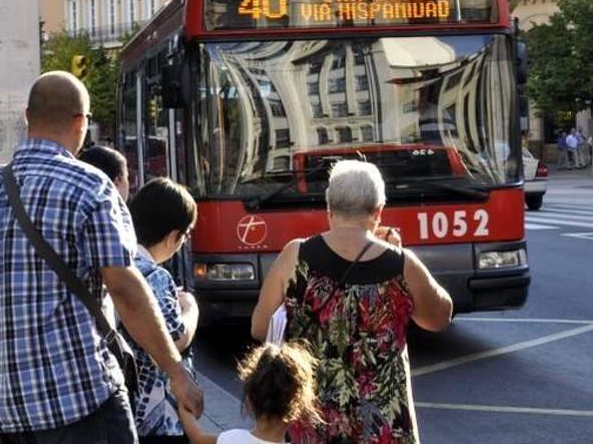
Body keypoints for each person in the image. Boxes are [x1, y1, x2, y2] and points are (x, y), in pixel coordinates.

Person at [0, 71, 204, 443]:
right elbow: (125, 288)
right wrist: (176, 372)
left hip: (3, 409)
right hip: (79, 401)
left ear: (27, 116)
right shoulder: (91, 186)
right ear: (80, 122)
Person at [250, 160, 453, 443]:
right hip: (382, 422)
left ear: (329, 208)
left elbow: (260, 328)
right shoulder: (401, 264)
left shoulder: (295, 256)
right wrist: (400, 254)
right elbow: (440, 317)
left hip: (312, 417)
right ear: (378, 212)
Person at [125, 177, 200, 442]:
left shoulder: (119, 266)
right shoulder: (154, 276)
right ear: (173, 236)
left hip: (126, 410)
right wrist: (191, 308)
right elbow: (173, 340)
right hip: (156, 416)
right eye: (186, 235)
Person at [178, 343, 321, 444]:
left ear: (249, 401)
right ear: (299, 408)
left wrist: (180, 399)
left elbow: (197, 437)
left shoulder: (232, 439)